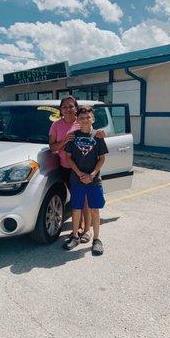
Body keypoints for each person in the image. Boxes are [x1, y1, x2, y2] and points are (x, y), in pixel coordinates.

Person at [49, 96, 105, 243]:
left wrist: (102, 133)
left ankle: (86, 231)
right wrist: (65, 140)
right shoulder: (56, 125)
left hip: (85, 168)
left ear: (75, 107)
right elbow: (52, 147)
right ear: (60, 110)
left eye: (71, 106)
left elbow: (94, 135)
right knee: (77, 200)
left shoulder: (80, 120)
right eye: (64, 107)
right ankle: (77, 229)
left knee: (86, 201)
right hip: (66, 168)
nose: (68, 109)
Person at [63, 106, 108, 255]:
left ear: (92, 119)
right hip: (77, 179)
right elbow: (68, 157)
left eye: (88, 117)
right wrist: (80, 173)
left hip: (94, 181)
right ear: (77, 120)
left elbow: (102, 158)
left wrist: (92, 174)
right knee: (76, 208)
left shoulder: (98, 136)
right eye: (81, 118)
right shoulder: (72, 136)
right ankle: (75, 235)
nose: (85, 120)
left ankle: (96, 240)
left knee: (94, 209)